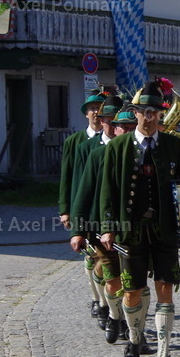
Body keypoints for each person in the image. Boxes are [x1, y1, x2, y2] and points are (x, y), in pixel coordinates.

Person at [99, 81, 180, 357]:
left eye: (154, 112)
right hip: (130, 231)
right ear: (135, 113)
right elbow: (108, 189)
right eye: (144, 111)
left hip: (165, 230)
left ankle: (164, 355)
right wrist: (108, 227)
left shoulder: (175, 145)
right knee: (132, 292)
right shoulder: (118, 147)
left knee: (165, 289)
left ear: (160, 114)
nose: (149, 117)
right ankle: (134, 341)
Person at [68, 93, 124, 339]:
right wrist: (76, 222)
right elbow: (79, 185)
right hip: (95, 218)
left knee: (126, 275)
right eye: (108, 121)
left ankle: (122, 317)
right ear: (102, 121)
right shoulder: (88, 148)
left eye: (117, 121)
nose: (112, 126)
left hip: (126, 223)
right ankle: (103, 304)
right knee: (100, 266)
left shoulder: (131, 148)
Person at [59, 89, 106, 318]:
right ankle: (96, 297)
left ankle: (107, 299)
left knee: (103, 256)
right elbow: (67, 175)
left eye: (99, 109)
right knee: (89, 255)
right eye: (92, 109)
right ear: (86, 113)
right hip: (82, 203)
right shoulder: (75, 141)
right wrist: (65, 209)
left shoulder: (113, 138)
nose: (96, 112)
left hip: (102, 205)